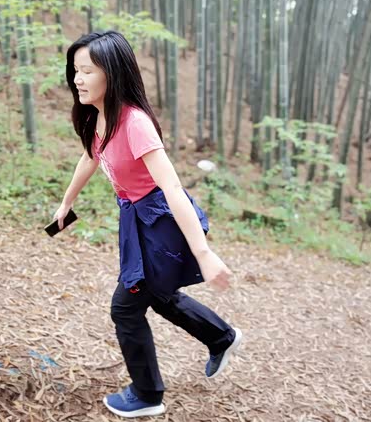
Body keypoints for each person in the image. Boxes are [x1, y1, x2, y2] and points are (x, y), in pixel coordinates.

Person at [53, 31, 243, 418]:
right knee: (157, 293)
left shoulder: (134, 123)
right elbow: (90, 158)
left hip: (160, 220)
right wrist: (67, 201)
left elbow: (172, 187)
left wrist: (203, 253)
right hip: (134, 216)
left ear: (113, 74)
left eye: (87, 71)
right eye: (75, 70)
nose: (78, 79)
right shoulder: (98, 117)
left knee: (126, 307)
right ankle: (221, 337)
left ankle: (147, 394)